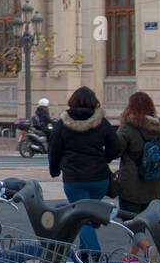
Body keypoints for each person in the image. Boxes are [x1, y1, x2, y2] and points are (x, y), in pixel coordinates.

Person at [47, 86, 121, 253]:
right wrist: (105, 157)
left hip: (75, 179)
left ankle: (94, 252)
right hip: (99, 179)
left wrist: (55, 170)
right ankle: (84, 254)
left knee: (82, 218)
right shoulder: (101, 122)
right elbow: (116, 147)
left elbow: (54, 150)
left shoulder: (63, 124)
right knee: (88, 214)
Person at [117, 92, 160, 217]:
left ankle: (138, 237)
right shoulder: (157, 129)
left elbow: (115, 151)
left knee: (131, 224)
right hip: (154, 184)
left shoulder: (126, 129)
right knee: (147, 222)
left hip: (131, 184)